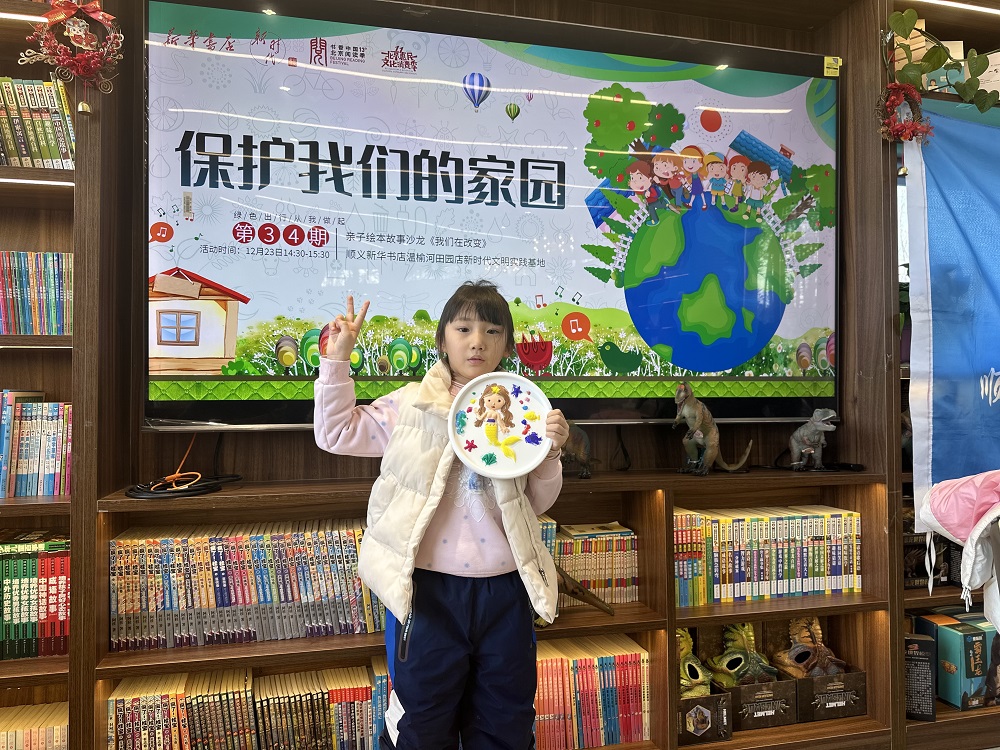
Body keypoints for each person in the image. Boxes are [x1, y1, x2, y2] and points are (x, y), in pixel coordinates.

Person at [314, 280, 570, 750]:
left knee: (506, 720)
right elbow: (335, 432)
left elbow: (538, 502)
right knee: (423, 720)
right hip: (427, 591)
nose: (477, 341)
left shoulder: (523, 412)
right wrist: (337, 359)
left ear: (507, 347)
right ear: (443, 339)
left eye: (492, 331)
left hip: (505, 589)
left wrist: (550, 452)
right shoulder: (410, 403)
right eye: (464, 328)